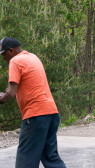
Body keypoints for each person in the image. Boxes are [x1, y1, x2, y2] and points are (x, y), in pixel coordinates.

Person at [0, 37, 66, 168]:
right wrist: (5, 94)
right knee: (51, 157)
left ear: (11, 51)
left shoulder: (15, 61)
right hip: (52, 113)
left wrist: (1, 99)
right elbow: (17, 88)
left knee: (25, 161)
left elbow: (11, 93)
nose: (3, 59)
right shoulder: (32, 57)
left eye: (3, 54)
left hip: (35, 115)